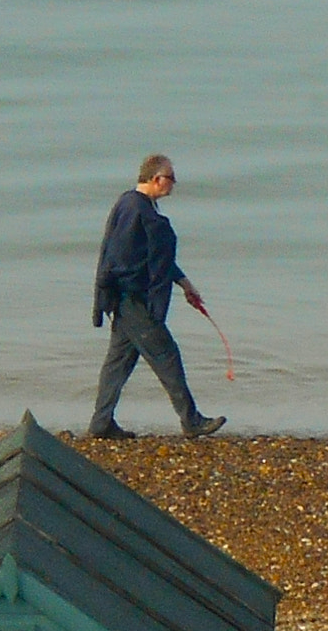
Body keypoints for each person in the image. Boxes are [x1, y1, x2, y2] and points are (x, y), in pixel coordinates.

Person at [88, 154, 227, 439]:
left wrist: (183, 282)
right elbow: (119, 256)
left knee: (118, 363)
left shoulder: (142, 207)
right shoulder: (133, 208)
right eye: (170, 178)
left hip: (131, 302)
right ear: (156, 178)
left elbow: (156, 257)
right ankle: (191, 421)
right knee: (167, 357)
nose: (173, 184)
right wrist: (128, 292)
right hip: (133, 301)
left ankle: (101, 423)